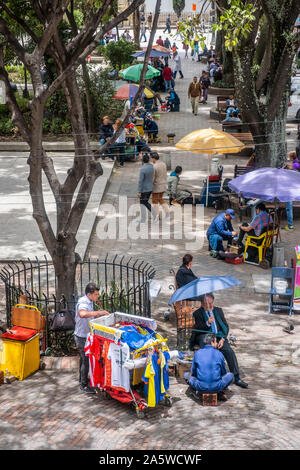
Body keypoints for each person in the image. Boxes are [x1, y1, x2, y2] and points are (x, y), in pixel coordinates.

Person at [189, 293, 248, 389]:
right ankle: (210, 377)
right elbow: (198, 328)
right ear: (202, 304)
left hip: (219, 337)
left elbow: (225, 326)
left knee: (229, 351)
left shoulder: (218, 311)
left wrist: (223, 339)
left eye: (211, 303)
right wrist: (207, 323)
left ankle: (237, 378)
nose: (210, 306)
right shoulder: (198, 313)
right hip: (205, 337)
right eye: (208, 303)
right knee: (209, 354)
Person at [74, 283, 109, 394]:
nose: (97, 296)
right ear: (89, 294)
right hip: (81, 336)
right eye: (96, 294)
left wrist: (98, 315)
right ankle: (83, 386)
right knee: (86, 361)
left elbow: (89, 315)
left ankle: (82, 380)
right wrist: (99, 312)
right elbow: (82, 313)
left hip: (85, 335)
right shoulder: (83, 302)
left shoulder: (90, 301)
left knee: (84, 360)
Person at [188, 333, 234, 400]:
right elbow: (223, 372)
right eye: (215, 342)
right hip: (216, 386)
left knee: (187, 375)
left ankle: (198, 391)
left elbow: (193, 372)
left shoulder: (197, 353)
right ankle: (218, 392)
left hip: (201, 387)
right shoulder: (219, 353)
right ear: (212, 343)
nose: (216, 343)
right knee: (231, 375)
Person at [137, 153, 156, 222]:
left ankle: (150, 216)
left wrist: (139, 191)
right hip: (150, 188)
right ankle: (149, 216)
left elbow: (140, 181)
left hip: (144, 189)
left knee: (143, 203)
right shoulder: (151, 166)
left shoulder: (142, 169)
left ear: (143, 161)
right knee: (145, 202)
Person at [151, 152, 169, 219]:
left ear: (153, 158)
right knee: (160, 199)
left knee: (154, 201)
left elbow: (153, 177)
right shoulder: (163, 164)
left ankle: (157, 215)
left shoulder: (154, 166)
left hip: (157, 186)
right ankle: (167, 211)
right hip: (163, 184)